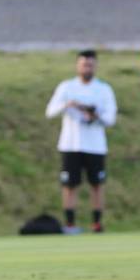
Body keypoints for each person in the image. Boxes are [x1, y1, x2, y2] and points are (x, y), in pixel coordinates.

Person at [44, 50, 117, 234]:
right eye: (84, 64)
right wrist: (68, 105)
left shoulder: (103, 89)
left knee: (97, 185)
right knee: (69, 185)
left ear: (95, 66)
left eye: (90, 64)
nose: (87, 67)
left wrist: (94, 115)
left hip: (95, 145)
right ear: (78, 65)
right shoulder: (67, 87)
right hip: (71, 144)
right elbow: (50, 112)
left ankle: (97, 223)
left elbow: (111, 119)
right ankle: (70, 224)